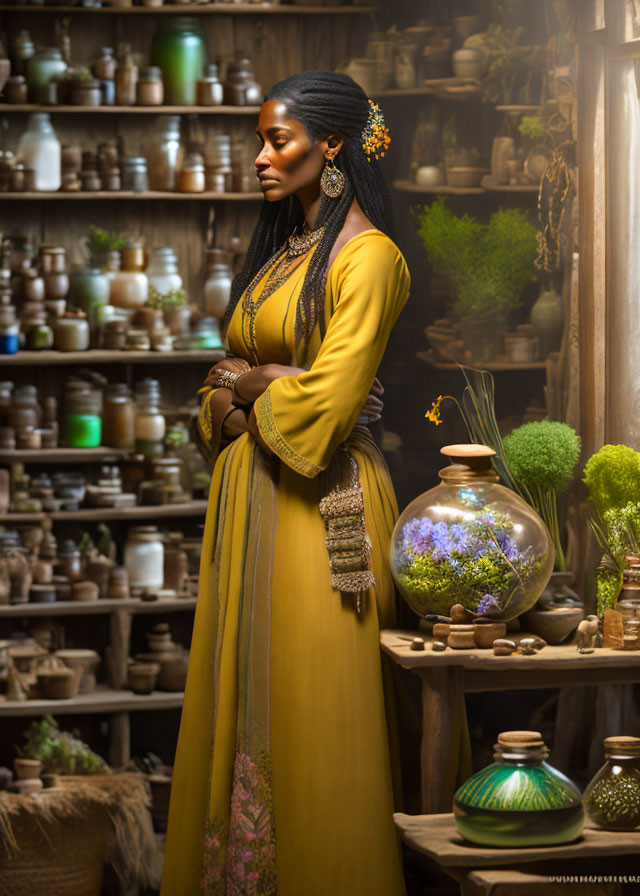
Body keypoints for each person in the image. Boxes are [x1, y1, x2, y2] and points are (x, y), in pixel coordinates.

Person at [161, 70, 411, 896]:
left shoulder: (369, 258)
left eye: (279, 140)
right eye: (260, 140)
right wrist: (248, 386)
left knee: (315, 707)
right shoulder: (285, 252)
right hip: (250, 500)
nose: (262, 158)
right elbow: (216, 384)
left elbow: (334, 402)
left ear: (330, 144)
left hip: (321, 508)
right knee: (246, 696)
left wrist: (253, 378)